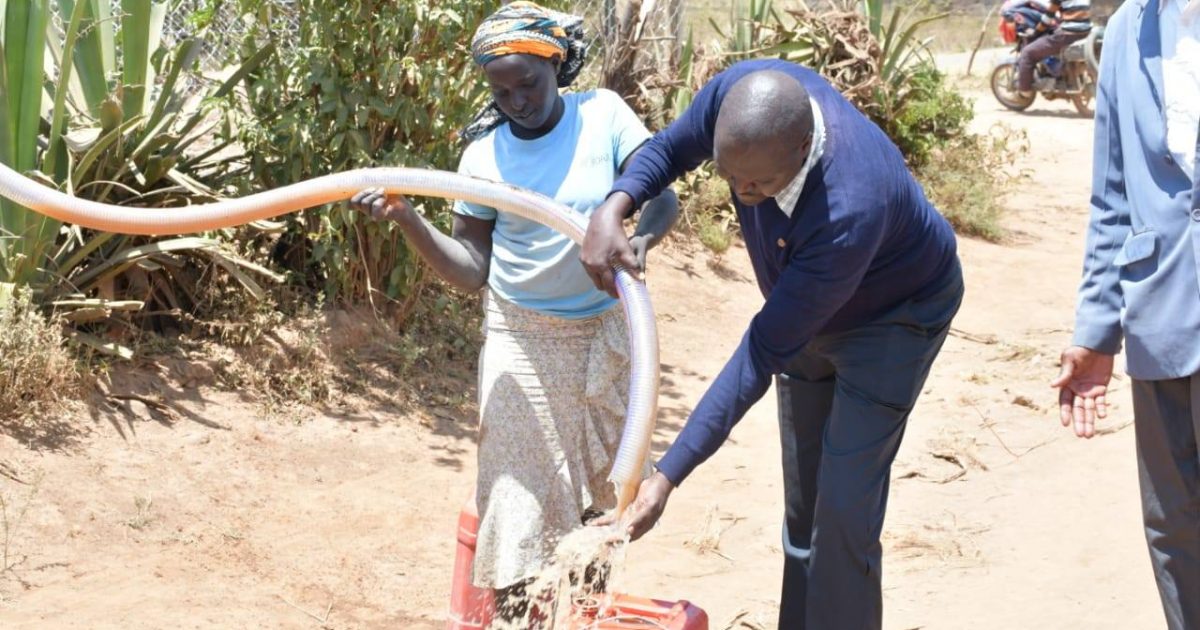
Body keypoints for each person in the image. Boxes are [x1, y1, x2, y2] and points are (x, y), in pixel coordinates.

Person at [582, 59, 963, 630]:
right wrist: (614, 206)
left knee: (843, 513)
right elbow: (668, 150)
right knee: (804, 506)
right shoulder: (740, 97)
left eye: (759, 183)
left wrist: (666, 477)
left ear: (803, 146)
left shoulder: (850, 206)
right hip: (804, 305)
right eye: (730, 176)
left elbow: (760, 354)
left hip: (893, 321)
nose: (743, 192)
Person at [348, 1, 678, 618]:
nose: (516, 101)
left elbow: (662, 197)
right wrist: (406, 219)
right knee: (516, 498)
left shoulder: (603, 115)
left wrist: (642, 241)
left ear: (556, 65)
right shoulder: (484, 159)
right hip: (521, 337)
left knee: (604, 493)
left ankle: (581, 613)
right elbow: (471, 269)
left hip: (605, 330)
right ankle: (516, 619)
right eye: (501, 92)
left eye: (527, 83)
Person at [1051, 0, 1200, 628]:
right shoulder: (1126, 31)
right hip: (1159, 312)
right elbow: (1111, 195)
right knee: (1174, 526)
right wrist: (1097, 328)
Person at [1017, 0, 1093, 97]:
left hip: (1068, 34)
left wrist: (1036, 32)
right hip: (1086, 31)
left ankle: (1025, 91)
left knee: (1027, 52)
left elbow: (1048, 18)